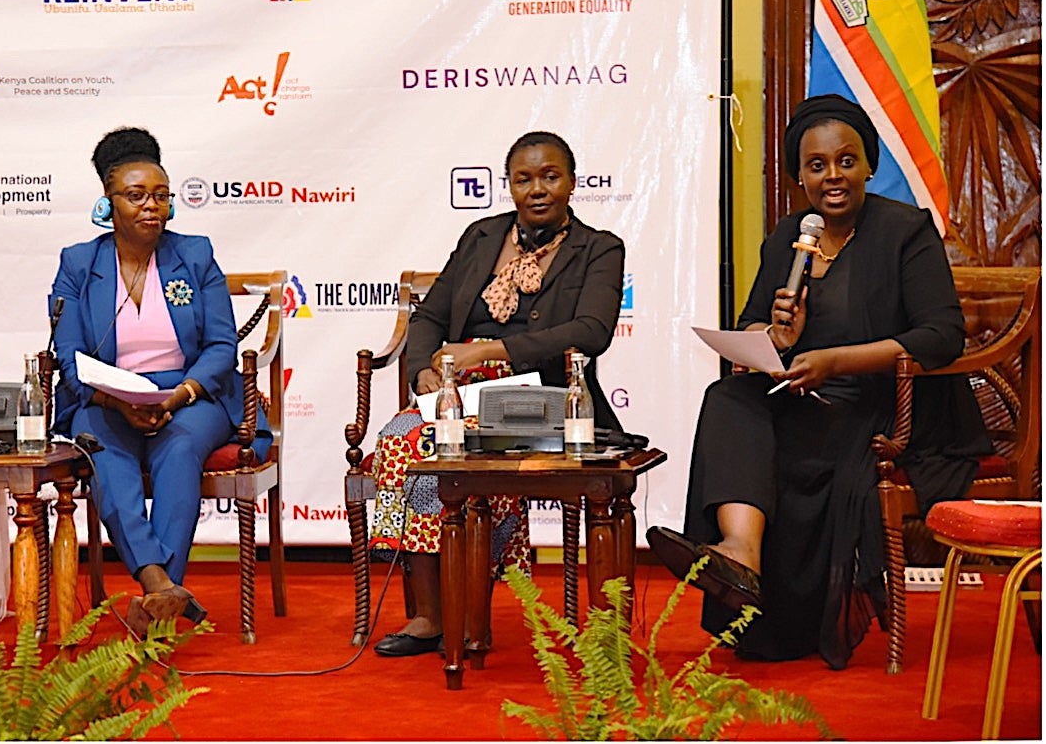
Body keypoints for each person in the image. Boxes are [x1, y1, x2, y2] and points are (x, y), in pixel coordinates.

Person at [648, 94, 990, 669]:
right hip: (807, 395)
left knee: (789, 442)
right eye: (816, 165)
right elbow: (754, 324)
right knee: (728, 396)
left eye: (845, 160)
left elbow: (942, 336)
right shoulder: (789, 237)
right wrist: (778, 337)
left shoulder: (904, 231)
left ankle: (753, 571)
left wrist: (835, 361)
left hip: (886, 409)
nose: (832, 176)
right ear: (798, 176)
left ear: (869, 163)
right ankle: (741, 555)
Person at [368, 130, 626, 657]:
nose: (537, 189)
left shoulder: (598, 248)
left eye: (550, 177)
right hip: (457, 391)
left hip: (545, 397)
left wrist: (490, 354)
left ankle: (471, 612)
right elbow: (432, 315)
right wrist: (421, 370)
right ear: (508, 185)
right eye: (524, 178)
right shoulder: (481, 237)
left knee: (481, 447)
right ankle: (428, 614)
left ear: (572, 184)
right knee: (400, 440)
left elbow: (591, 331)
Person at [50, 127, 272, 635]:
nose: (151, 206)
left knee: (178, 451)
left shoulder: (193, 255)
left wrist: (182, 393)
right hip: (105, 397)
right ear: (107, 204)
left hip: (191, 394)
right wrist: (112, 397)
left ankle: (157, 596)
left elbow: (221, 346)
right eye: (136, 196)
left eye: (161, 196)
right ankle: (160, 586)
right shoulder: (80, 264)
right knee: (103, 456)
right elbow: (69, 353)